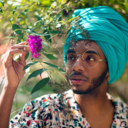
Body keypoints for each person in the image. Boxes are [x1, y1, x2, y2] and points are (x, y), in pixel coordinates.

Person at [0, 6, 128, 128]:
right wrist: (10, 86)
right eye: (71, 57)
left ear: (109, 69)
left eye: (90, 58)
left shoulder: (124, 117)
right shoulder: (43, 111)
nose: (76, 67)